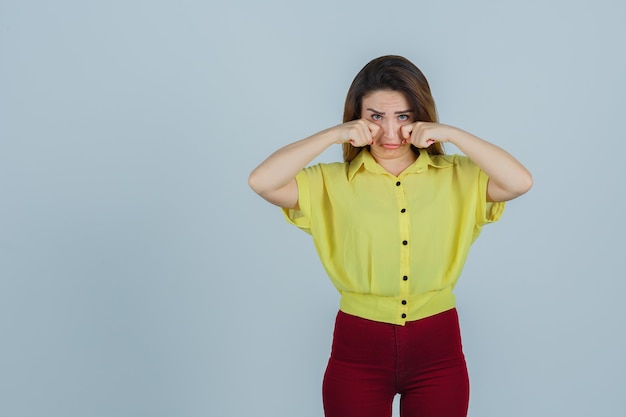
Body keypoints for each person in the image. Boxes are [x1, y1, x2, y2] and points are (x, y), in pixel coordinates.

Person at [248, 55, 532, 417]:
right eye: (375, 117)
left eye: (403, 117)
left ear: (420, 117)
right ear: (358, 117)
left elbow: (520, 182)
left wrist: (452, 134)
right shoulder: (329, 182)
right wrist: (332, 135)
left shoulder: (458, 176)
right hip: (357, 352)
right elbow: (261, 181)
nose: (390, 133)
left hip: (438, 349)